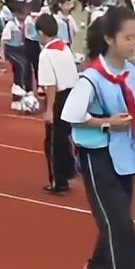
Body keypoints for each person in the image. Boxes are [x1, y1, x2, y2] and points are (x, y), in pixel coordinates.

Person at [60, 7, 135, 269]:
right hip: (98, 157)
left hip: (125, 154)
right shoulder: (91, 78)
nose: (134, 42)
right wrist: (105, 123)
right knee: (120, 224)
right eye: (128, 37)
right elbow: (71, 116)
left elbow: (133, 103)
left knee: (116, 219)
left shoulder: (131, 72)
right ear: (108, 39)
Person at [36, 13, 78, 195]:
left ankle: (58, 181)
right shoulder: (65, 47)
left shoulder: (46, 54)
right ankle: (68, 172)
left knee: (53, 142)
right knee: (65, 137)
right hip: (71, 95)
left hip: (59, 97)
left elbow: (51, 84)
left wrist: (49, 110)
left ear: (41, 32)